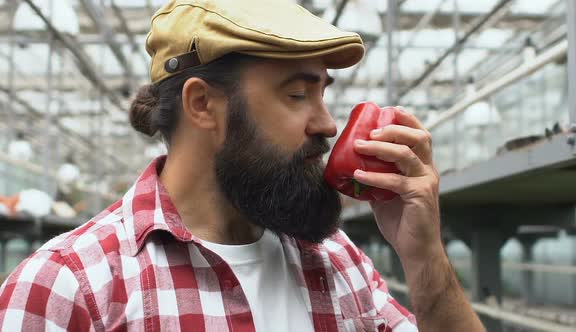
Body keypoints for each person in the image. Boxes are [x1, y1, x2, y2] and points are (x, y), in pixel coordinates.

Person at [0, 1, 484, 331]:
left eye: (322, 93)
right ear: (203, 105)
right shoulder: (68, 288)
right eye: (297, 94)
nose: (328, 123)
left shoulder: (338, 261)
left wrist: (423, 257)